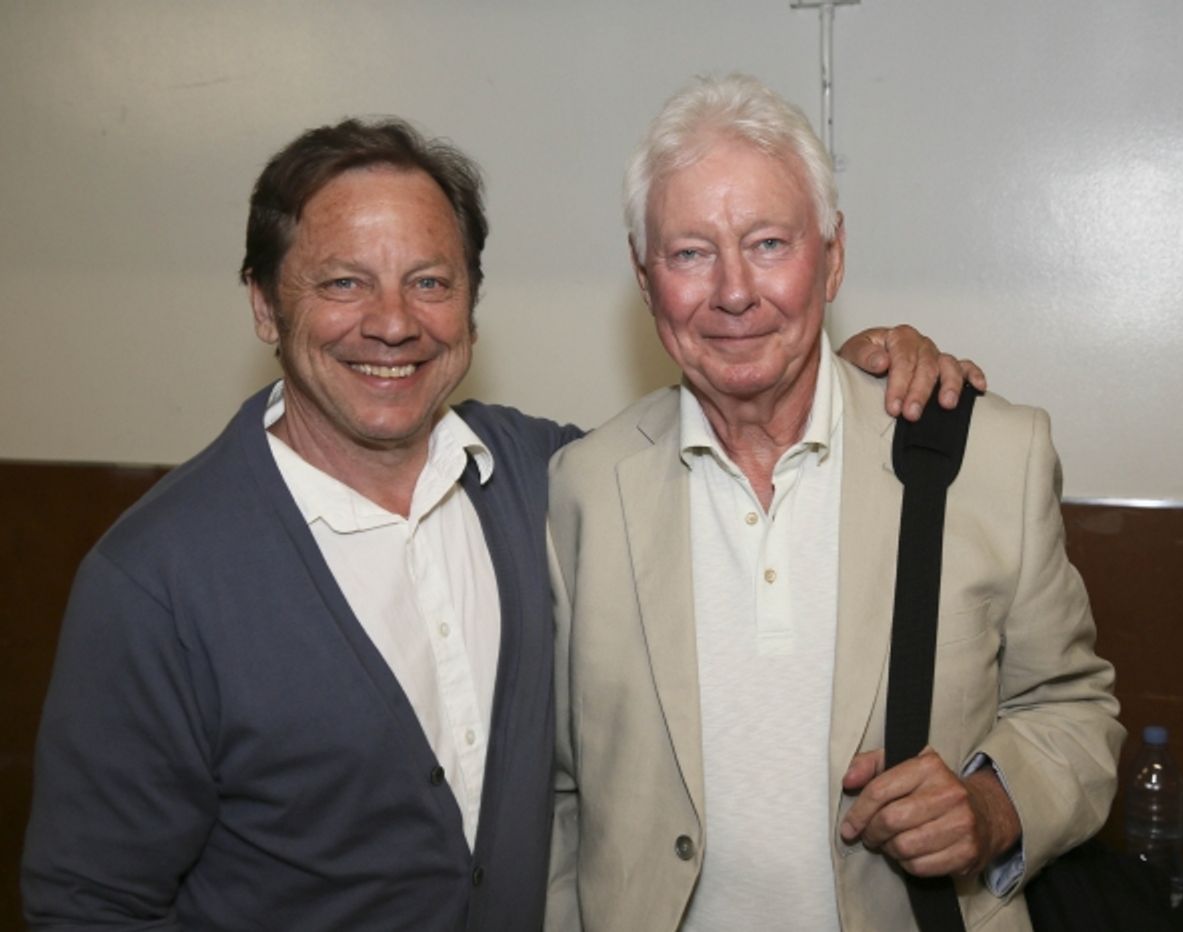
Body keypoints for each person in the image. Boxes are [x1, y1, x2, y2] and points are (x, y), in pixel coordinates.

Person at [22, 117, 976, 931]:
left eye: (431, 282)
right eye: (344, 283)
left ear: (473, 302)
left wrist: (847, 373)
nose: (393, 324)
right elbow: (89, 903)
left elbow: (733, 427)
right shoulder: (156, 581)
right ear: (265, 304)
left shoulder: (549, 480)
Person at [545, 74, 1123, 932]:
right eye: (690, 252)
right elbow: (560, 798)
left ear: (834, 255)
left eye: (770, 242)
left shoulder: (987, 458)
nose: (734, 291)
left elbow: (1074, 711)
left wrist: (992, 807)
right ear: (644, 277)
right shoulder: (583, 487)